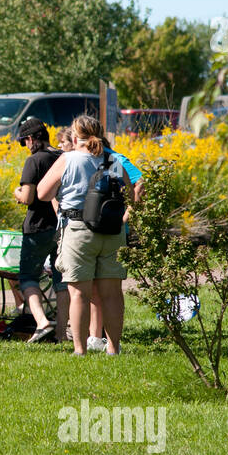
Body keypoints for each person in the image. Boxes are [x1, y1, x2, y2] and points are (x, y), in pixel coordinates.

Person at [37, 114, 131, 356]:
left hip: (78, 229)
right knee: (112, 294)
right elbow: (131, 193)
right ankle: (113, 348)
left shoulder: (68, 158)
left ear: (75, 136)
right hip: (111, 231)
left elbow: (42, 193)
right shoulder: (113, 159)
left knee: (79, 293)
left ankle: (80, 349)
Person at [86, 137, 145, 351]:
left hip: (113, 229)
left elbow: (140, 182)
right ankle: (94, 336)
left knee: (108, 287)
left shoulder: (115, 158)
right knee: (93, 287)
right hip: (97, 227)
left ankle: (108, 340)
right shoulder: (89, 159)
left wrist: (126, 215)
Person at [12, 118, 64, 343]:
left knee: (28, 277)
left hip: (37, 227)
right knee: (61, 279)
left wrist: (17, 192)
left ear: (31, 139)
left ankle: (42, 322)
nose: (25, 146)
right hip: (61, 227)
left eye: (25, 141)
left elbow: (27, 197)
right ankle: (62, 330)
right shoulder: (63, 157)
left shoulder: (34, 161)